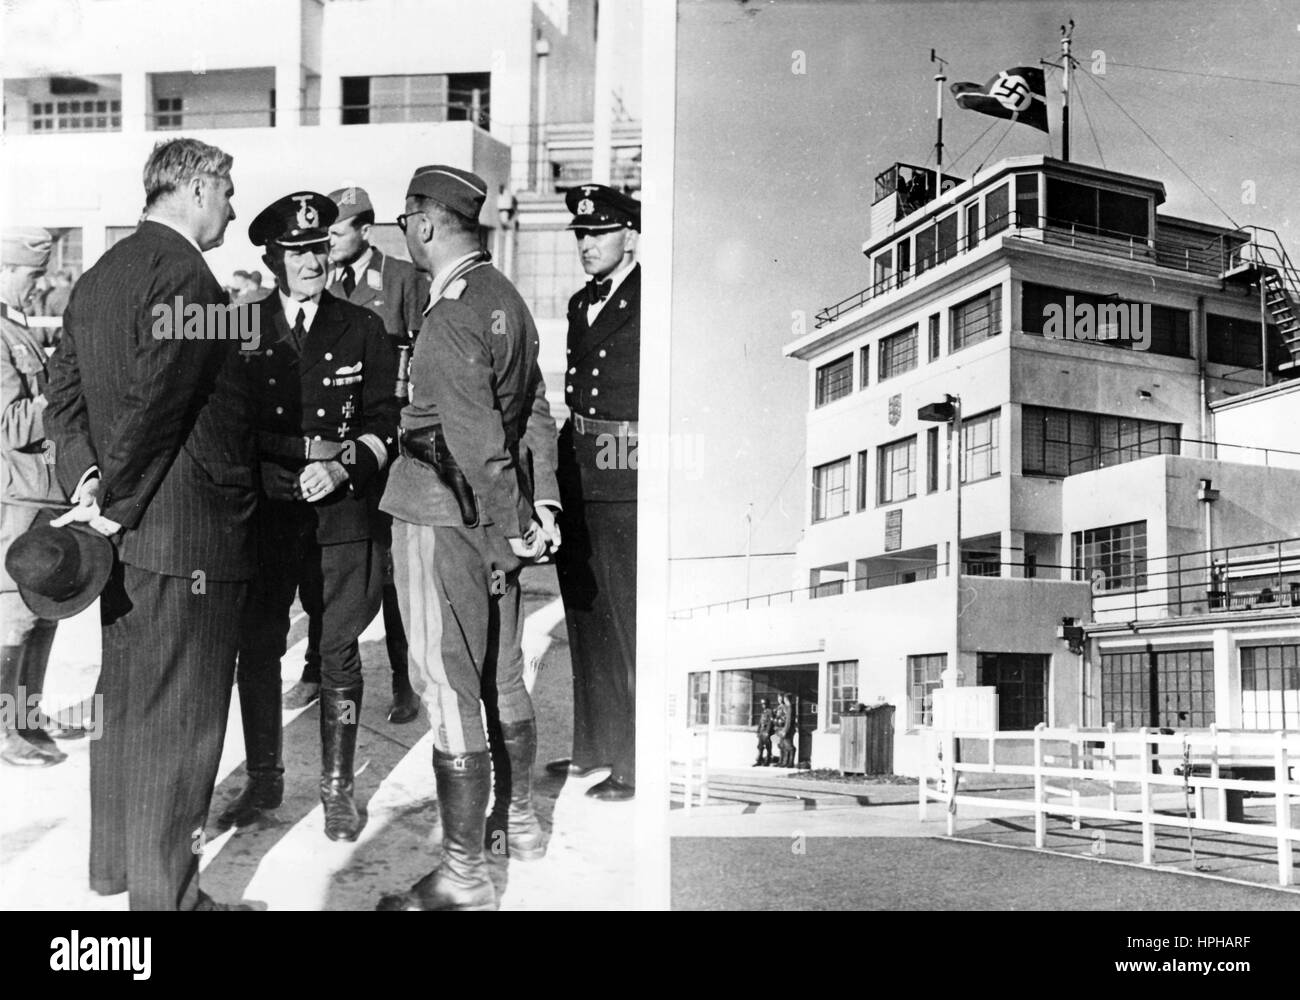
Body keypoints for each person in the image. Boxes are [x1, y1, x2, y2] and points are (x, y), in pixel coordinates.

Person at [43, 137, 257, 910]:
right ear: (197, 187)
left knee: (127, 706)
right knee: (184, 723)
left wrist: (89, 483)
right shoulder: (190, 278)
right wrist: (114, 504)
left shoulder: (99, 276)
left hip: (126, 538)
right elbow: (160, 405)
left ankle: (116, 871)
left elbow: (62, 396)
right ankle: (169, 901)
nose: (232, 207)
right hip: (184, 536)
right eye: (227, 191)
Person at [376, 164, 559, 911]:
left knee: (448, 685)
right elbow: (537, 410)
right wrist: (540, 504)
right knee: (502, 673)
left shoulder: (450, 313)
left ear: (423, 225)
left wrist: (518, 523)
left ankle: (462, 877)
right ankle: (518, 825)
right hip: (494, 513)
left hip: (437, 514)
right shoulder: (505, 299)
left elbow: (479, 441)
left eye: (406, 226)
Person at [217, 192, 398, 841]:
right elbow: (222, 423)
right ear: (272, 258)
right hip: (264, 514)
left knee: (338, 650)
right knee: (258, 647)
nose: (311, 262)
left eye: (319, 249)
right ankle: (265, 783)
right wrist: (251, 474)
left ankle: (337, 792)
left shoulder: (364, 327)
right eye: (297, 253)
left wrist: (345, 466)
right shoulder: (241, 326)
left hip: (341, 512)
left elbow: (387, 423)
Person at [271, 184, 424, 725]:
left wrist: (354, 458)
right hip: (293, 479)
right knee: (304, 605)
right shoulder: (262, 315)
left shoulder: (399, 283)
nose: (320, 253)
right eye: (304, 247)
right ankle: (312, 675)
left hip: (368, 460)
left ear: (364, 229)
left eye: (329, 238)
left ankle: (403, 683)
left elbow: (408, 376)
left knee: (378, 580)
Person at [544, 184, 641, 801]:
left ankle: (631, 760)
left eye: (598, 234)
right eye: (580, 235)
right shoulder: (582, 303)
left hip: (626, 473)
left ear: (629, 235)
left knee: (624, 618)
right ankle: (593, 747)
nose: (587, 245)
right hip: (580, 466)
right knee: (584, 614)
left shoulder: (651, 298)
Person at [0, 226, 87, 766]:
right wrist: (64, 386)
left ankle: (26, 714)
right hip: (16, 495)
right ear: (5, 272)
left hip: (42, 491)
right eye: (33, 275)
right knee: (14, 611)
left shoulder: (16, 326)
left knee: (45, 606)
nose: (40, 285)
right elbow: (10, 424)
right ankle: (6, 730)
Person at [777, 693, 797, 768]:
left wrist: (785, 731)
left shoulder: (790, 708)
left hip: (788, 730)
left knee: (789, 746)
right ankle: (784, 762)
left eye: (785, 699)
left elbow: (788, 721)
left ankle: (790, 763)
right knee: (783, 745)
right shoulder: (787, 707)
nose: (784, 700)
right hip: (783, 729)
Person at [754, 697, 773, 767]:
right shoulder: (763, 712)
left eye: (764, 704)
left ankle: (767, 761)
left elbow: (770, 723)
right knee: (760, 746)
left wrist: (767, 732)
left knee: (768, 747)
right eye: (762, 704)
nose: (763, 705)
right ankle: (759, 760)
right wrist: (758, 731)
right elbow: (760, 722)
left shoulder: (770, 712)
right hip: (762, 731)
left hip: (766, 732)